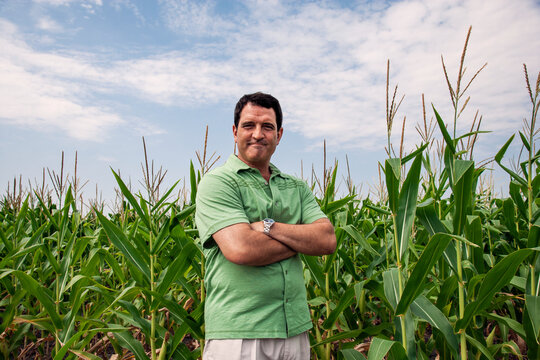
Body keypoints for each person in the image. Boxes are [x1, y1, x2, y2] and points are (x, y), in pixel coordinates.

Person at [195, 92, 336, 360]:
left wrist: (269, 227)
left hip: (294, 331)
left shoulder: (296, 187)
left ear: (279, 135)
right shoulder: (218, 183)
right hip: (239, 335)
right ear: (235, 132)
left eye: (267, 127)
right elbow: (242, 249)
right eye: (249, 125)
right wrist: (300, 241)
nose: (258, 134)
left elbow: (327, 240)